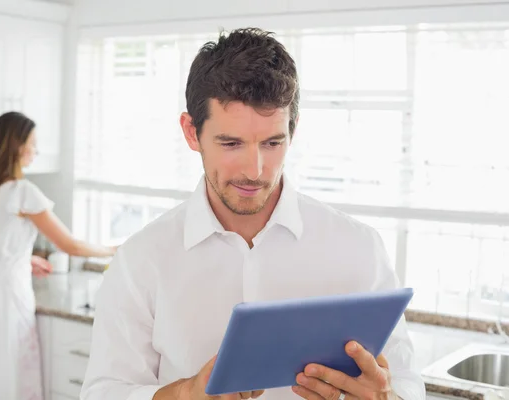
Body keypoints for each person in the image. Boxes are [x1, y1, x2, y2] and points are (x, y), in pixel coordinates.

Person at [81, 28, 425, 400]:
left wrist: (387, 397)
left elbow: (406, 380)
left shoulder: (357, 247)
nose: (255, 170)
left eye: (272, 143)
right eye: (231, 143)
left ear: (292, 131)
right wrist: (185, 394)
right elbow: (104, 391)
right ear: (191, 132)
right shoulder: (141, 259)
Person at [0, 111, 115, 400]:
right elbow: (71, 246)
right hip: (7, 301)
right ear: (16, 146)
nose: (36, 151)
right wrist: (115, 250)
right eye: (33, 143)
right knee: (9, 378)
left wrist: (19, 261)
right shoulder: (22, 193)